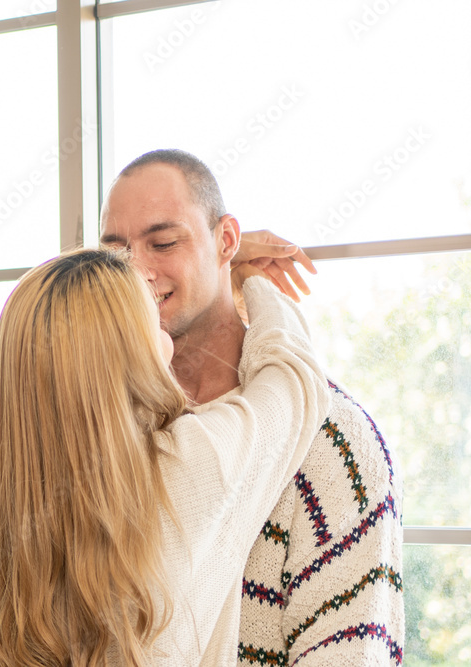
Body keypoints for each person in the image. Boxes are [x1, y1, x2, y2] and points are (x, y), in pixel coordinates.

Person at [0, 246, 330, 665]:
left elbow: (37, 379)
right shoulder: (190, 463)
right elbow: (295, 379)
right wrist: (247, 280)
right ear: (130, 358)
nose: (168, 343)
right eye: (156, 327)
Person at [100, 149, 404, 665]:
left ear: (226, 241)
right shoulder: (90, 426)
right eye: (114, 253)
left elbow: (352, 651)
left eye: (164, 242)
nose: (136, 272)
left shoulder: (335, 446)